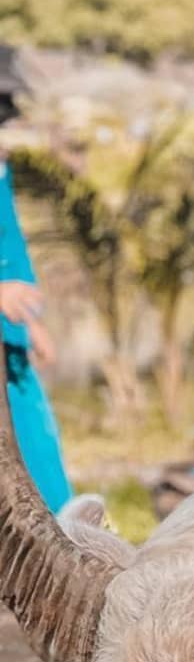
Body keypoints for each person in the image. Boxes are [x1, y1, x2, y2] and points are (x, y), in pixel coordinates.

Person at [0, 156, 72, 512]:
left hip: (11, 349)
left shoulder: (2, 169)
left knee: (41, 469)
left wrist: (30, 321)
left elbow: (11, 248)